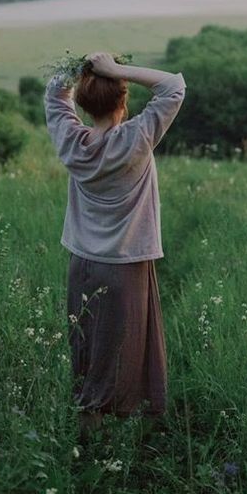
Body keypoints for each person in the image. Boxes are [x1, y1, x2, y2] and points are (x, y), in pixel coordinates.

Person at [43, 51, 187, 444]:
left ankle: (88, 439)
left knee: (88, 352)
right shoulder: (136, 139)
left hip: (83, 264)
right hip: (125, 267)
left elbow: (55, 93)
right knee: (124, 353)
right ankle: (116, 446)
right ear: (124, 101)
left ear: (85, 104)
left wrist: (83, 68)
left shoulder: (73, 142)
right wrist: (115, 69)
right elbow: (173, 86)